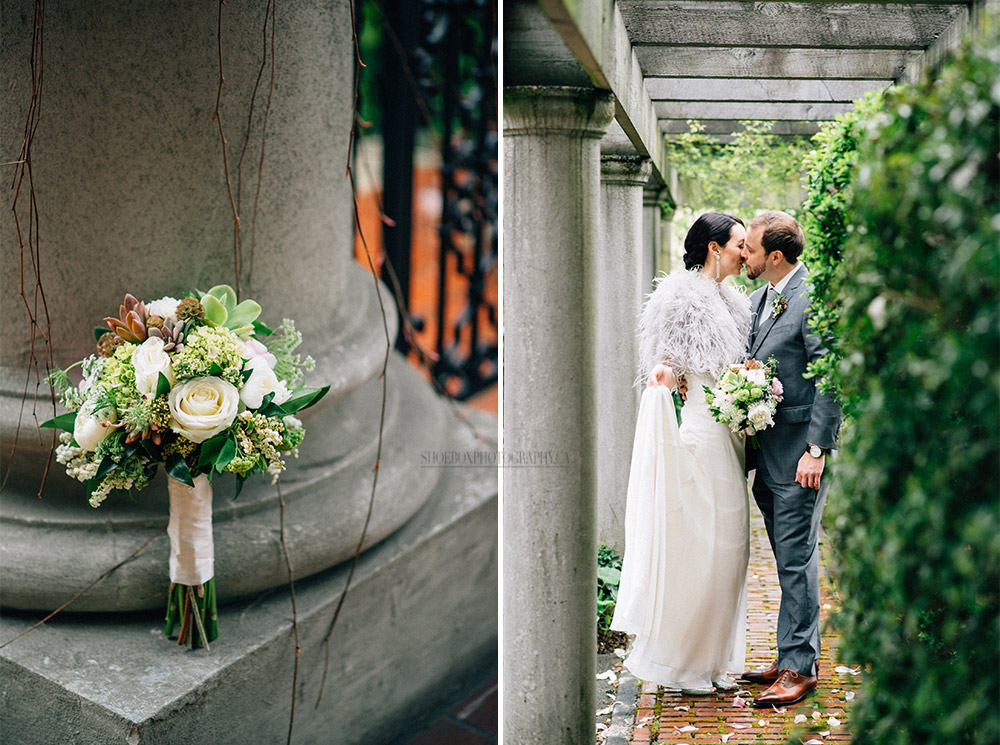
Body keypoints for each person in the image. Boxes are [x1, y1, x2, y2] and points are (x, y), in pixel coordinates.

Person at [611, 212, 752, 695]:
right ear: (715, 248)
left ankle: (711, 659)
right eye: (738, 243)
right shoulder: (679, 296)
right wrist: (664, 374)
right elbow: (664, 356)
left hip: (731, 433)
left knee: (731, 546)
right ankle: (684, 663)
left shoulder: (735, 301)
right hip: (701, 432)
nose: (745, 251)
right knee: (701, 543)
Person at [738, 211, 842, 707]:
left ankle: (800, 668)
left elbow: (830, 375)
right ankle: (790, 656)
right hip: (768, 455)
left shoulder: (812, 298)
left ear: (774, 256)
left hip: (801, 455)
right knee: (787, 562)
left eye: (751, 251)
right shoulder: (760, 297)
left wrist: (817, 450)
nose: (745, 257)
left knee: (797, 560)